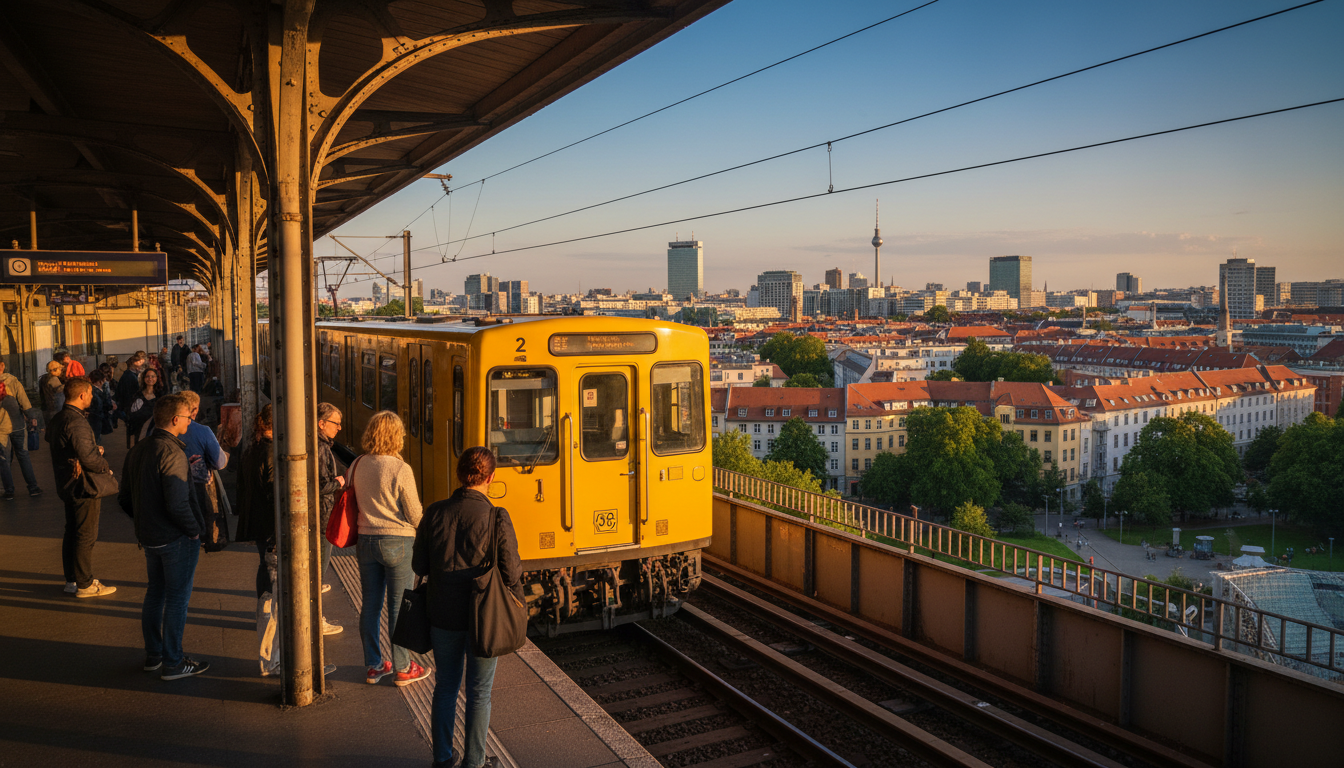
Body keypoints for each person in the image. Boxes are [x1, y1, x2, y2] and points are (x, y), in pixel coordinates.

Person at [414, 447, 520, 768]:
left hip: (442, 615)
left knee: (445, 686)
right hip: (483, 619)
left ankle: (442, 759)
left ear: (459, 475)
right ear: (490, 478)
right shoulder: (496, 516)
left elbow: (419, 563)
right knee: (478, 693)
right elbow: (512, 572)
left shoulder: (434, 512)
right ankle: (475, 762)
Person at [120, 394, 210, 679]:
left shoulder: (139, 449)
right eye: (186, 417)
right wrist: (194, 530)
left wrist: (146, 520)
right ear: (175, 420)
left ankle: (154, 655)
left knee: (155, 594)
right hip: (175, 539)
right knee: (177, 600)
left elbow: (124, 498)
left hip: (149, 536)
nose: (189, 420)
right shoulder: (173, 453)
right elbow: (178, 502)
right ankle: (173, 662)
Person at [353, 410, 427, 686]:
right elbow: (415, 514)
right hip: (397, 542)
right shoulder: (400, 469)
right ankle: (403, 667)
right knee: (398, 607)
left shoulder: (358, 464)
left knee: (370, 605)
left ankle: (374, 665)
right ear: (396, 437)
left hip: (365, 542)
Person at [47, 377, 116, 598]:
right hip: (82, 485)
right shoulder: (76, 420)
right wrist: (104, 466)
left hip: (66, 482)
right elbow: (89, 458)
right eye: (90, 393)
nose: (92, 397)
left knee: (72, 532)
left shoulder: (59, 417)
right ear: (82, 395)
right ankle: (85, 584)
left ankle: (72, 580)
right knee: (85, 535)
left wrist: (88, 452)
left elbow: (62, 444)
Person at [234, 404, 276, 599]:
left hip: (254, 516)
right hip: (268, 521)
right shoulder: (271, 452)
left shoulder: (252, 448)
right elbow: (272, 490)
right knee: (271, 567)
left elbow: (241, 486)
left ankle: (263, 606)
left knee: (264, 564)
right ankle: (268, 614)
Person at [0, 360, 42, 500]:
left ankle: (9, 490)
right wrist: (31, 417)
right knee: (23, 456)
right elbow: (24, 401)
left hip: (1, 427)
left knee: (3, 459)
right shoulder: (13, 381)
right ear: (3, 365)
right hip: (17, 424)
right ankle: (33, 487)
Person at [316, 403, 345, 592]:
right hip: (322, 511)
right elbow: (320, 485)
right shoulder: (321, 448)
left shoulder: (321, 444)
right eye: (336, 423)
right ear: (321, 423)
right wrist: (339, 482)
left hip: (319, 509)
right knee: (323, 554)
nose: (339, 427)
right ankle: (315, 589)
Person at [127, 368, 164, 446]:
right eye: (147, 376)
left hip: (155, 433)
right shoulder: (138, 395)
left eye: (153, 376)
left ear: (157, 378)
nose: (150, 378)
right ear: (144, 378)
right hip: (139, 432)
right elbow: (131, 416)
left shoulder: (161, 396)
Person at [117, 357, 145, 443]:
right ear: (134, 364)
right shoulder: (129, 376)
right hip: (130, 406)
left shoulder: (129, 375)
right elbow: (129, 393)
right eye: (140, 363)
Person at [38, 360, 65, 425]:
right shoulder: (53, 379)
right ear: (54, 370)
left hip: (45, 408)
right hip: (53, 409)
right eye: (59, 369)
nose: (61, 371)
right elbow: (60, 393)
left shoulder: (43, 378)